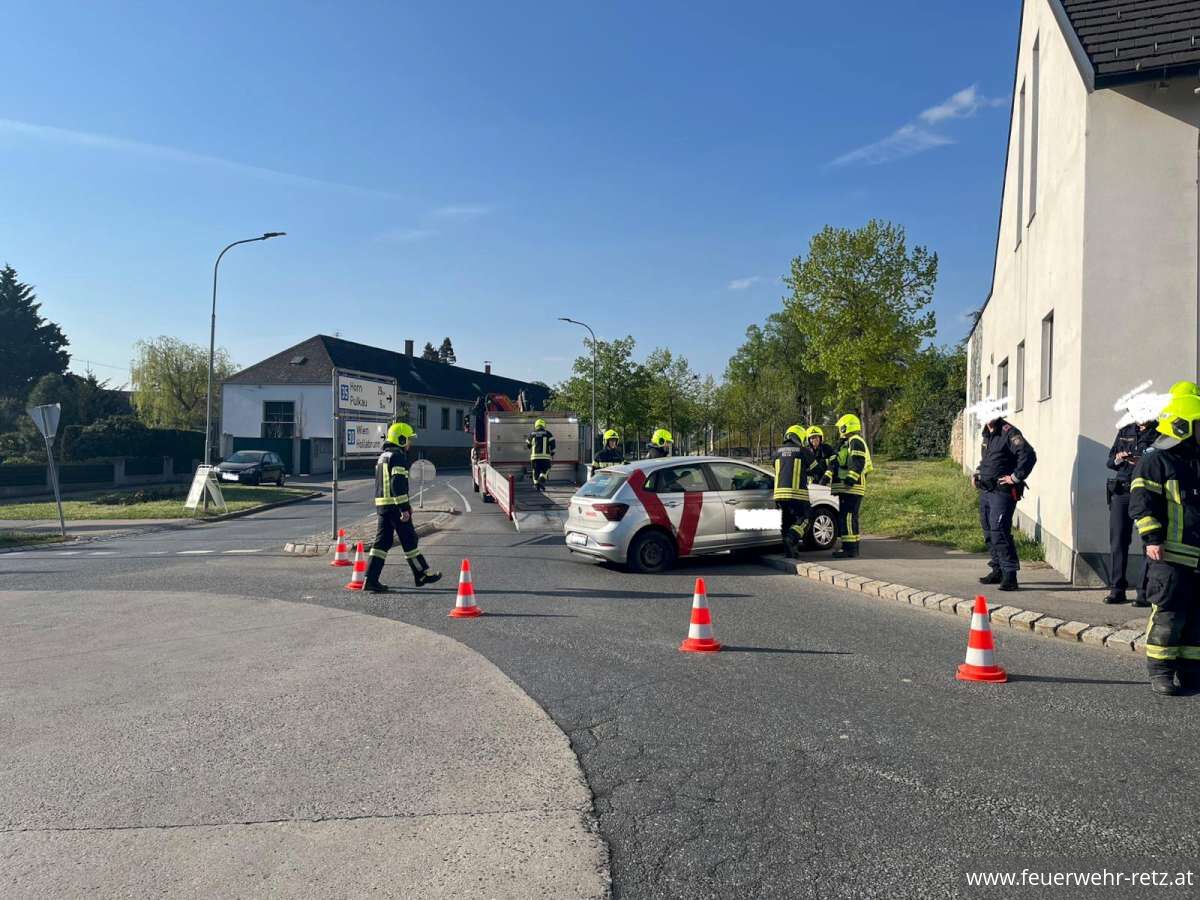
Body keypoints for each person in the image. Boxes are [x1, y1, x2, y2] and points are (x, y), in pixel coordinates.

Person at [1129, 392, 1200, 695]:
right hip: (1169, 553)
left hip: (1195, 554)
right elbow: (1142, 502)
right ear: (1183, 426)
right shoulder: (1156, 460)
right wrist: (1152, 538)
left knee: (1195, 616)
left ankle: (1191, 672)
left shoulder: (1194, 461)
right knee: (1169, 613)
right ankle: (1161, 672)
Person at [364, 422, 442, 593]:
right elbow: (397, 484)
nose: (409, 444)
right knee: (409, 539)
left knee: (382, 543)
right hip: (394, 507)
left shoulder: (383, 456)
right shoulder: (397, 457)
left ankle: (370, 579)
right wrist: (404, 508)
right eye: (407, 439)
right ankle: (421, 575)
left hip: (383, 506)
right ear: (400, 438)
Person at [973, 413, 1037, 591]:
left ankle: (1010, 575)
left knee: (999, 530)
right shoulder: (987, 433)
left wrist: (1016, 477)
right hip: (986, 490)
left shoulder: (1009, 432)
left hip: (1002, 492)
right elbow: (988, 460)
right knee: (988, 530)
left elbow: (1029, 455)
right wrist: (978, 473)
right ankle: (998, 569)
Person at [1105, 417, 1158, 605]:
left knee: (1148, 542)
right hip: (1122, 491)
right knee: (1118, 541)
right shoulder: (1125, 431)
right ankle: (1117, 589)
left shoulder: (1159, 433)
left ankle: (1143, 593)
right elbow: (1110, 461)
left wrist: (1143, 462)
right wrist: (1119, 459)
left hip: (1145, 493)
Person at [825, 414, 871, 559]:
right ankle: (850, 548)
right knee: (847, 517)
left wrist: (850, 480)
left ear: (847, 426)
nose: (840, 429)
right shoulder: (847, 442)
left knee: (849, 517)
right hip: (847, 487)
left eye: (841, 426)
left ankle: (850, 550)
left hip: (852, 487)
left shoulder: (855, 441)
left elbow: (858, 462)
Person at [773, 425, 815, 558]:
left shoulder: (777, 452)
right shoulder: (803, 450)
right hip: (797, 493)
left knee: (786, 522)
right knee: (805, 518)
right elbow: (816, 469)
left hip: (779, 495)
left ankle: (790, 552)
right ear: (800, 437)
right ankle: (792, 538)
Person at [526, 417, 556, 492]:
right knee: (547, 469)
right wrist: (552, 452)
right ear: (543, 425)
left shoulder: (532, 434)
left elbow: (528, 444)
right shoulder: (548, 433)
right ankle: (542, 477)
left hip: (535, 457)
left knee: (535, 471)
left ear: (536, 425)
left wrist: (531, 446)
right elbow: (553, 444)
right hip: (545, 457)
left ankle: (536, 484)